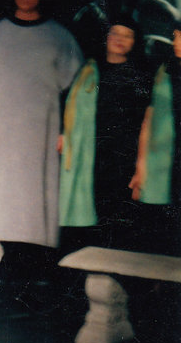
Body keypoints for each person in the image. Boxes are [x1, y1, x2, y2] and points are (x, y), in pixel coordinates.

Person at [0, 0, 82, 291]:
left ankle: (38, 263)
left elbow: (74, 88)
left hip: (43, 129)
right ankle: (11, 259)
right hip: (5, 128)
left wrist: (65, 130)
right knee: (8, 193)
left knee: (39, 194)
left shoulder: (59, 37)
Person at [59, 21, 153, 251]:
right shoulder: (88, 70)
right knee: (83, 208)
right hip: (86, 151)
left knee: (113, 215)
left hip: (122, 155)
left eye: (127, 35)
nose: (119, 39)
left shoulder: (140, 76)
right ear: (106, 36)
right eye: (115, 33)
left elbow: (145, 121)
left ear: (135, 42)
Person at [130, 26, 181, 255]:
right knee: (154, 236)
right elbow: (148, 120)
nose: (177, 42)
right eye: (176, 37)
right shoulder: (164, 70)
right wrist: (140, 166)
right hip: (159, 165)